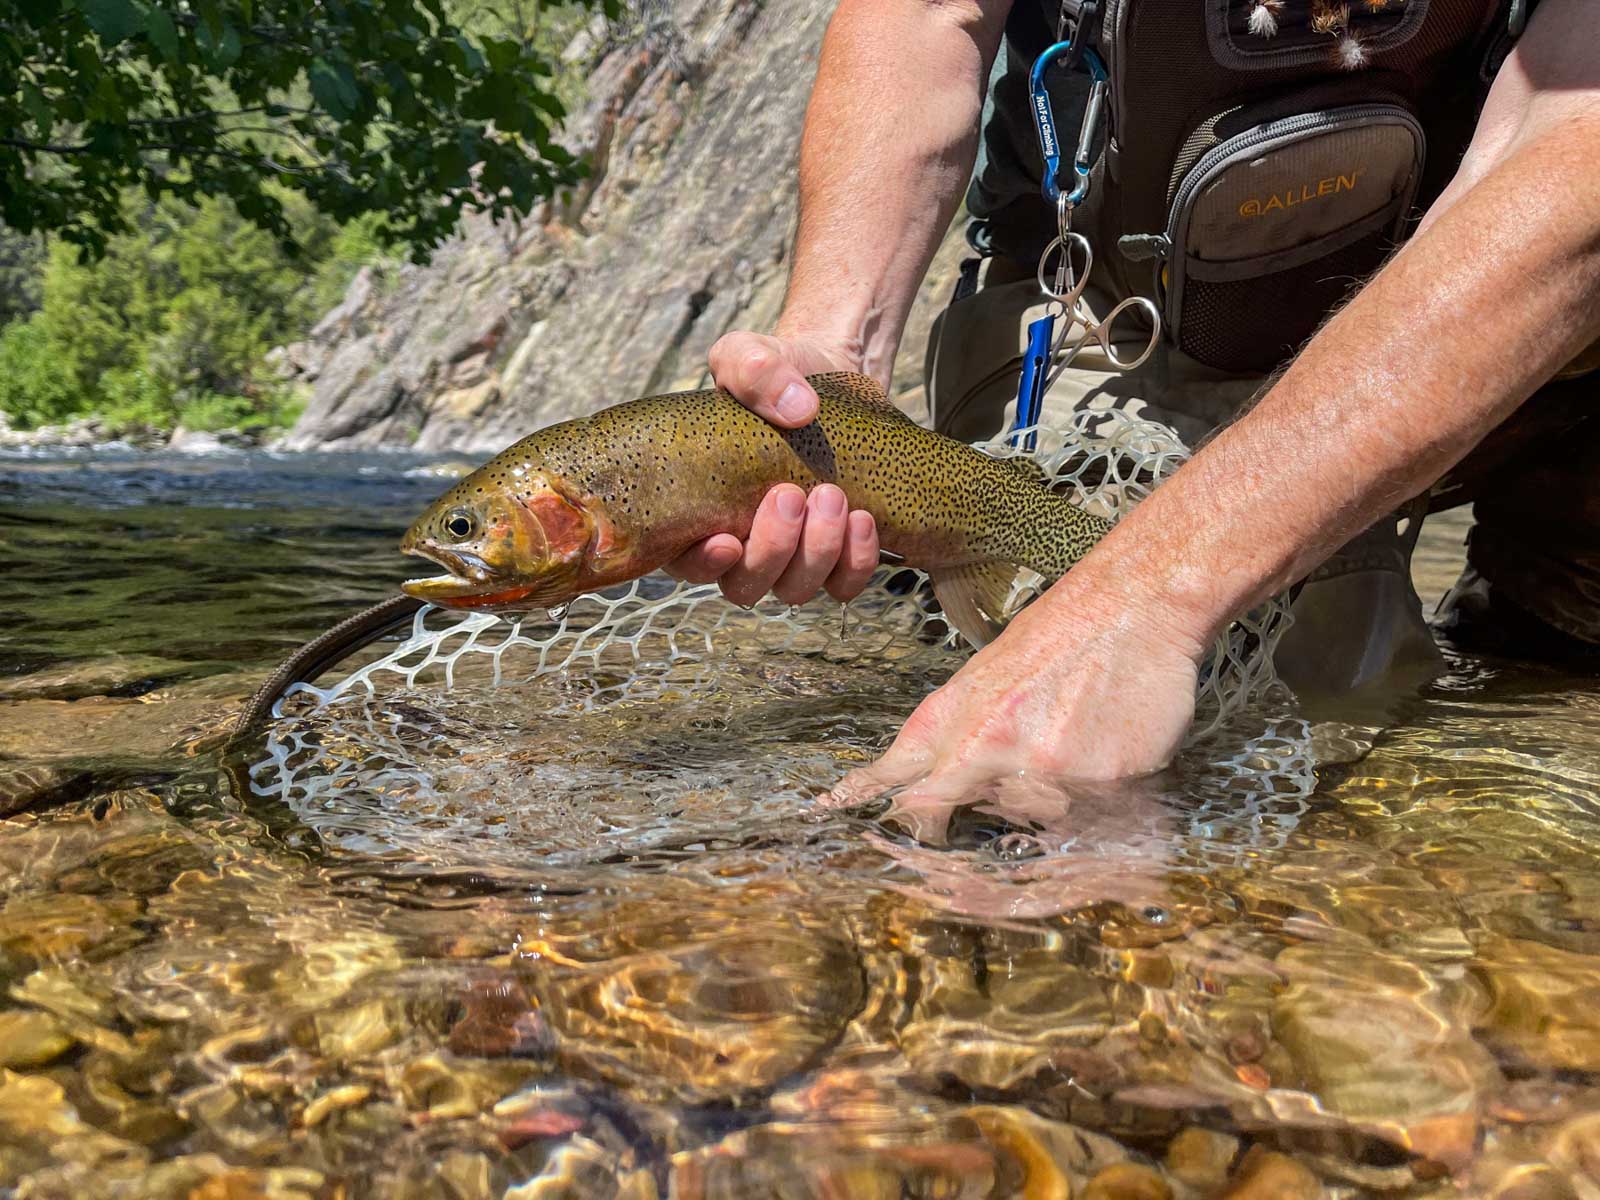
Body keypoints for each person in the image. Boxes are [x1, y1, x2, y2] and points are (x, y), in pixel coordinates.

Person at [663, 0, 1600, 793]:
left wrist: (1150, 595)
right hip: (1111, 310)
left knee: (1471, 734)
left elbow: (1569, 161)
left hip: (1526, 306)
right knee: (1085, 761)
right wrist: (836, 345)